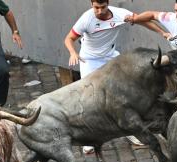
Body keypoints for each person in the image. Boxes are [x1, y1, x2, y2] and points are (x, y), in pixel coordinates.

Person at [64, 0, 167, 153]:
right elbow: (69, 39)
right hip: (89, 60)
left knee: (126, 94)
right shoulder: (86, 19)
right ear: (91, 5)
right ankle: (88, 139)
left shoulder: (119, 14)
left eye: (102, 7)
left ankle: (132, 132)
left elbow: (142, 20)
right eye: (96, 7)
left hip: (110, 57)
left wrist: (163, 32)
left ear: (108, 4)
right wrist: (73, 53)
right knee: (89, 99)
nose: (99, 11)